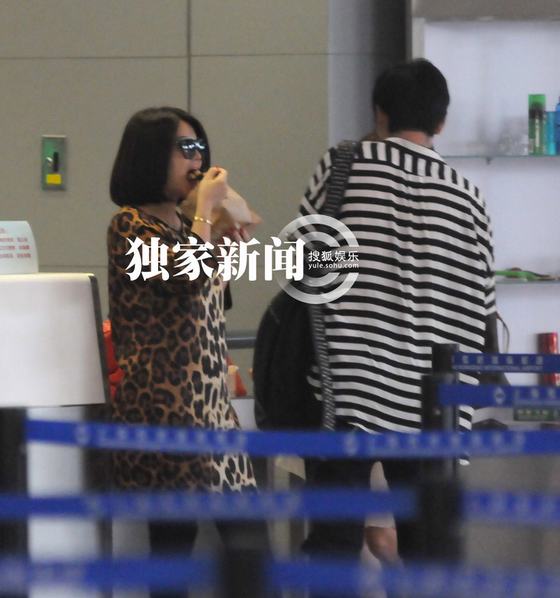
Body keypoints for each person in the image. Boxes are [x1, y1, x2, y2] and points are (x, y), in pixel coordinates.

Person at [298, 59, 496, 575]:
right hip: (434, 403)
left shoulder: (344, 166)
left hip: (352, 389)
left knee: (335, 547)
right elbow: (483, 310)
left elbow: (308, 269)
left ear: (379, 113)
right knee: (428, 553)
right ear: (441, 121)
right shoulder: (469, 199)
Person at [108, 107, 267, 598]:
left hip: (212, 411)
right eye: (185, 148)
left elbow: (212, 296)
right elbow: (185, 277)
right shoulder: (129, 226)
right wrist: (204, 218)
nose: (197, 159)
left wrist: (228, 240)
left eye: (200, 147)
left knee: (250, 547)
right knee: (174, 550)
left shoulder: (185, 226)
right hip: (165, 412)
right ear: (150, 156)